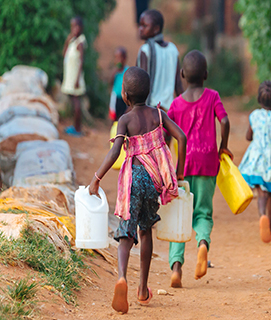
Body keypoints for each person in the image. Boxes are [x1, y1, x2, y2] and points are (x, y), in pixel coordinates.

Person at [89, 67, 186, 314]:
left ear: (125, 96)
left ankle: (122, 277)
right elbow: (182, 138)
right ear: (149, 91)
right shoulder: (158, 115)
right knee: (145, 232)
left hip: (133, 181)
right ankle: (142, 288)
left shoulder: (125, 119)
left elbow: (115, 152)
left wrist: (96, 178)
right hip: (154, 181)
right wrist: (180, 172)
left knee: (125, 232)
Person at [167, 50, 232, 288]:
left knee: (179, 218)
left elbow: (167, 136)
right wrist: (223, 147)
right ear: (205, 74)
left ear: (182, 75)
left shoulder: (175, 105)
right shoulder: (213, 96)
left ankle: (176, 267)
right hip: (207, 163)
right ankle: (203, 244)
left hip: (183, 167)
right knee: (202, 213)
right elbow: (224, 121)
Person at [239, 81, 271, 244]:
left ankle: (262, 216)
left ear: (259, 99)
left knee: (261, 193)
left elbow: (248, 136)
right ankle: (270, 225)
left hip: (257, 160)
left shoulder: (255, 116)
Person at [137, 9, 183, 111]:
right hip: (168, 111)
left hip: (150, 109)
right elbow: (178, 85)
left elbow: (140, 83)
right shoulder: (173, 49)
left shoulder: (145, 50)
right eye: (140, 25)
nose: (140, 29)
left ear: (156, 29)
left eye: (144, 26)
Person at [62, 16, 87, 136]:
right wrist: (67, 40)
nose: (75, 29)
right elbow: (64, 54)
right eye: (72, 26)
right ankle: (75, 126)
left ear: (81, 27)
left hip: (76, 78)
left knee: (77, 102)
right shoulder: (72, 40)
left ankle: (78, 129)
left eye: (77, 26)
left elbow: (81, 61)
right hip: (70, 76)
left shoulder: (80, 42)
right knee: (73, 102)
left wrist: (77, 79)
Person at [109, 47, 129, 121]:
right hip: (115, 97)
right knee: (114, 116)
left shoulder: (127, 71)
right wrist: (115, 71)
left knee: (123, 116)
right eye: (116, 58)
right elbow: (110, 82)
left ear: (124, 58)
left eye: (119, 58)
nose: (117, 60)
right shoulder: (115, 71)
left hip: (124, 98)